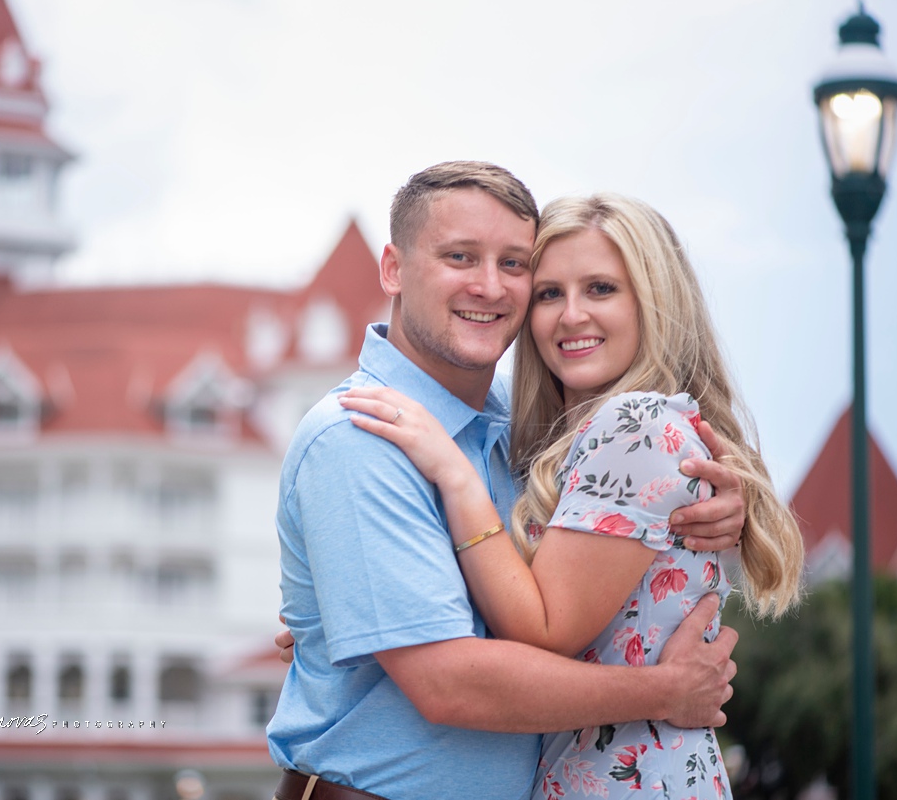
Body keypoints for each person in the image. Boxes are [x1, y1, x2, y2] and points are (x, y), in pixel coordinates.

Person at [267, 162, 746, 800]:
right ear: (394, 270)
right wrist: (666, 690)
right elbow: (450, 682)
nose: (489, 286)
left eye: (515, 265)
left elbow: (601, 577)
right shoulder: (360, 436)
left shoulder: (527, 432)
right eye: (460, 256)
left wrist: (710, 505)